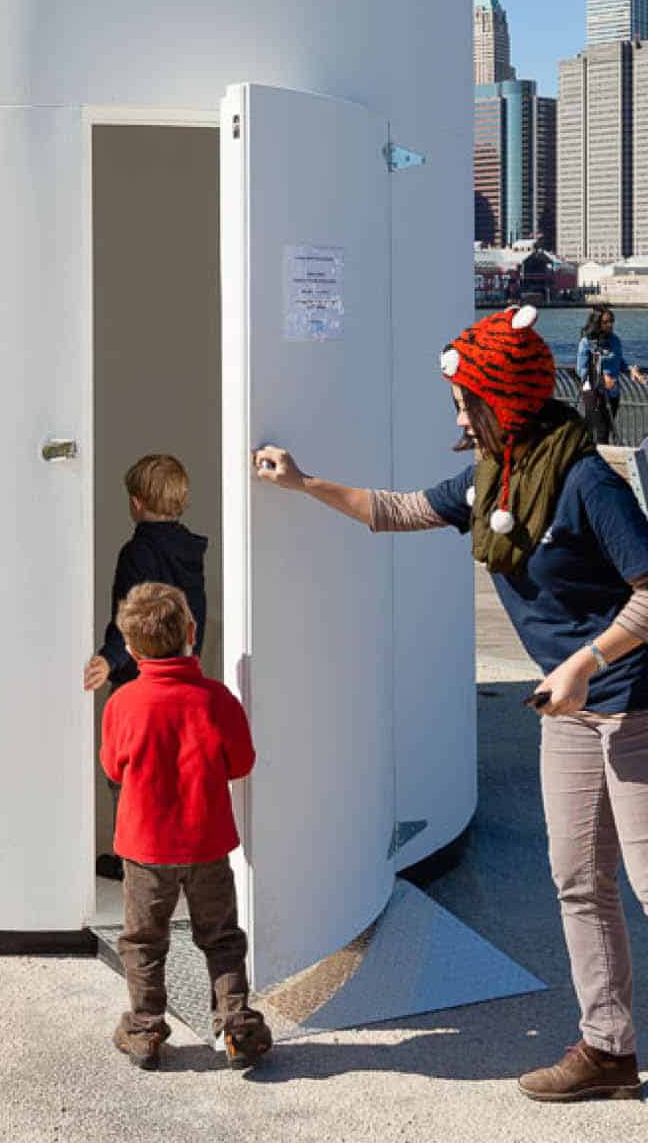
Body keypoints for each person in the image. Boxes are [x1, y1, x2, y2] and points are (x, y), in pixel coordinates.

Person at [254, 303, 648, 1104]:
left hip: (634, 705)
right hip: (568, 712)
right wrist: (302, 483)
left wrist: (584, 661)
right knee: (578, 882)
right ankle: (607, 1048)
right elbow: (396, 511)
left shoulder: (585, 481)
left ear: (495, 401)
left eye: (463, 396)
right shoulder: (493, 479)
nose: (454, 411)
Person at [100, 581, 270, 1073]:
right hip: (207, 844)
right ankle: (237, 1028)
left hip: (145, 848)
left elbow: (113, 767)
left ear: (129, 648)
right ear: (192, 632)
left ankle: (145, 1030)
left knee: (143, 940)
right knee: (220, 937)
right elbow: (240, 763)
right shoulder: (216, 699)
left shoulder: (122, 705)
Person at [82, 454, 208, 880]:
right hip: (182, 674)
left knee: (126, 767)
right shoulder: (191, 551)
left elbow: (133, 612)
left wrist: (109, 658)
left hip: (140, 679)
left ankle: (130, 855)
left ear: (136, 503)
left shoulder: (136, 552)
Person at [577, 304, 647, 444]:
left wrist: (632, 371)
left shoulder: (615, 340)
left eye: (611, 321)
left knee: (607, 430)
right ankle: (597, 462)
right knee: (600, 432)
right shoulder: (586, 343)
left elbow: (619, 361)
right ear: (597, 323)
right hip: (594, 393)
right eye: (606, 322)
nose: (610, 325)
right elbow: (581, 370)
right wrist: (602, 379)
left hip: (613, 392)